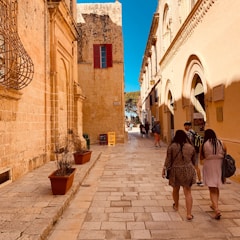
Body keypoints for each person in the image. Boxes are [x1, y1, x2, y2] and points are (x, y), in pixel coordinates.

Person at [162, 130, 196, 221]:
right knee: (188, 192)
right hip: (188, 170)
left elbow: (168, 160)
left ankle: (176, 205)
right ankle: (189, 213)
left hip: (175, 170)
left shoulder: (172, 147)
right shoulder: (190, 147)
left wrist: (164, 169)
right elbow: (194, 161)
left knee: (175, 189)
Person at [200, 129, 226, 220]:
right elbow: (225, 153)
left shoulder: (204, 144)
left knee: (212, 188)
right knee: (217, 186)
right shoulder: (221, 142)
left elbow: (201, 157)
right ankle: (215, 204)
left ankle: (216, 209)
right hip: (219, 166)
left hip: (209, 165)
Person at [184, 121, 203, 186]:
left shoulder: (188, 133)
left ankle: (190, 179)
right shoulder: (195, 132)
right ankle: (200, 180)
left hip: (190, 151)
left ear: (188, 126)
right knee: (196, 166)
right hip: (196, 151)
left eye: (186, 126)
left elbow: (187, 142)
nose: (185, 127)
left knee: (189, 165)